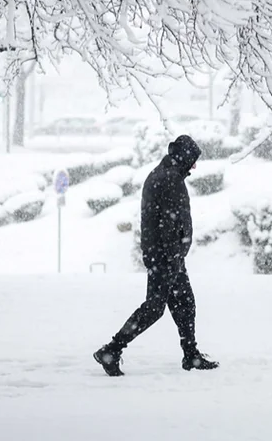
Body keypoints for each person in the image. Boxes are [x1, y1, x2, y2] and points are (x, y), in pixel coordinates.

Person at [93, 134, 219, 376]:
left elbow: (167, 221)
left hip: (166, 255)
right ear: (183, 157)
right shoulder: (169, 179)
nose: (195, 166)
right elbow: (169, 224)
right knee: (154, 308)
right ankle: (111, 350)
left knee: (185, 303)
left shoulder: (164, 174)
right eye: (193, 160)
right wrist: (173, 256)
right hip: (165, 256)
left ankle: (191, 355)